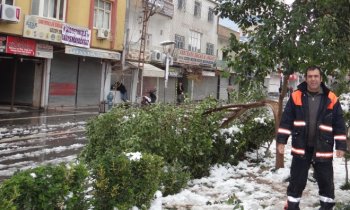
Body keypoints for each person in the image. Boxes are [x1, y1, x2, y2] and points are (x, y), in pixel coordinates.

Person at [277, 66, 347, 210]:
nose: (313, 79)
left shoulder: (331, 98)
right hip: (301, 148)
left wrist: (341, 146)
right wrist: (281, 140)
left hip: (323, 148)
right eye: (310, 76)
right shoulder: (296, 96)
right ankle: (292, 206)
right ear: (306, 78)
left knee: (326, 182)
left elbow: (339, 123)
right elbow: (286, 120)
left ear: (321, 78)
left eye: (316, 76)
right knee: (296, 181)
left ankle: (327, 207)